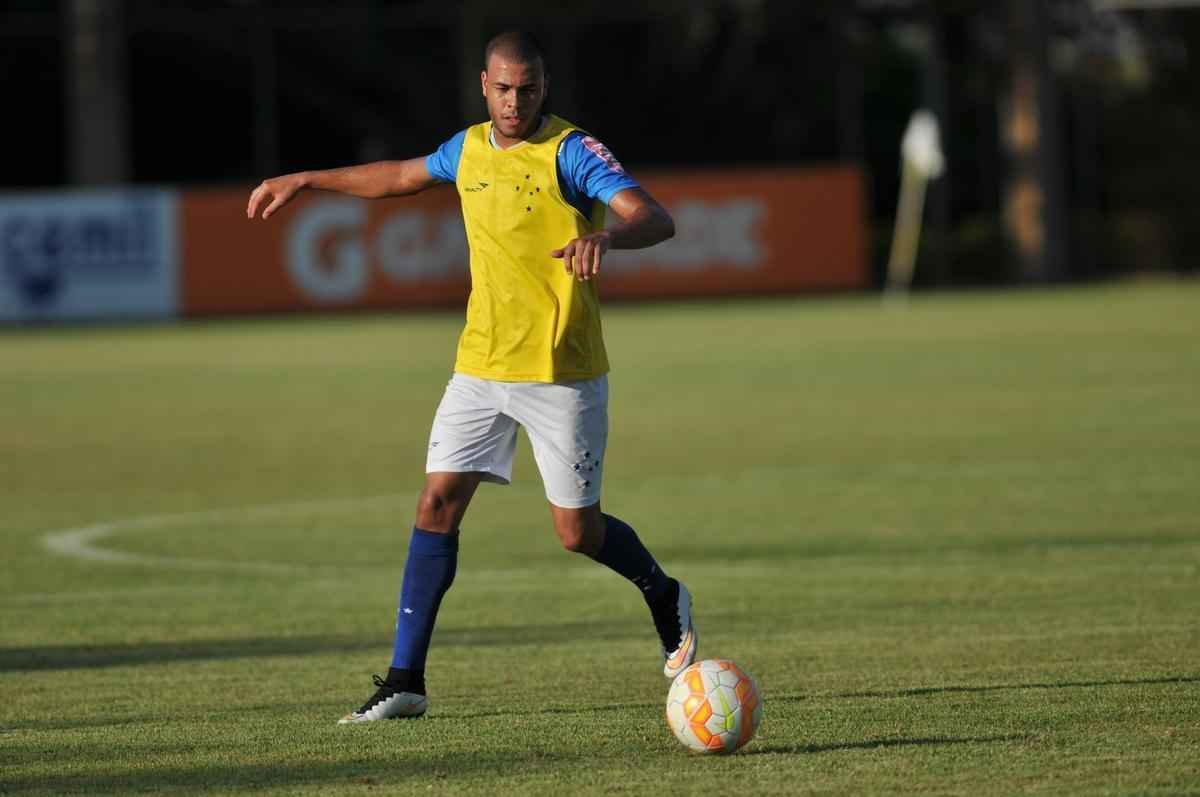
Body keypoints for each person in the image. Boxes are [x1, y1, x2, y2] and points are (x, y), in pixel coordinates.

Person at [246, 30, 696, 724]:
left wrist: (606, 236)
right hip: (480, 364)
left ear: (545, 87)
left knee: (577, 532)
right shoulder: (467, 148)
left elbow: (653, 216)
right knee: (435, 504)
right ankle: (405, 680)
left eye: (531, 88)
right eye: (505, 88)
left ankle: (663, 593)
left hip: (560, 370)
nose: (517, 101)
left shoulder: (572, 152)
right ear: (484, 86)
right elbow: (397, 175)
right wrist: (305, 179)